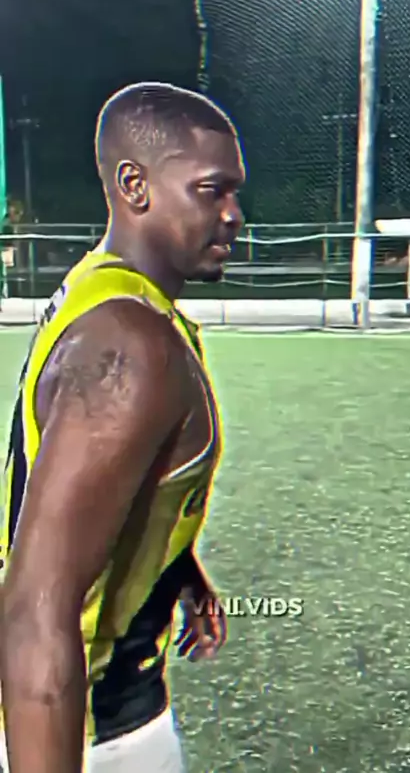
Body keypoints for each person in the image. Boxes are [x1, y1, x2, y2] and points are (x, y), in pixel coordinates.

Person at [0, 82, 246, 773]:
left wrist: (176, 565)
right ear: (135, 186)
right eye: (211, 191)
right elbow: (36, 608)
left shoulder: (103, 290)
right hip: (91, 731)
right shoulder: (130, 345)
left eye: (235, 193)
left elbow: (98, 481)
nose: (233, 215)